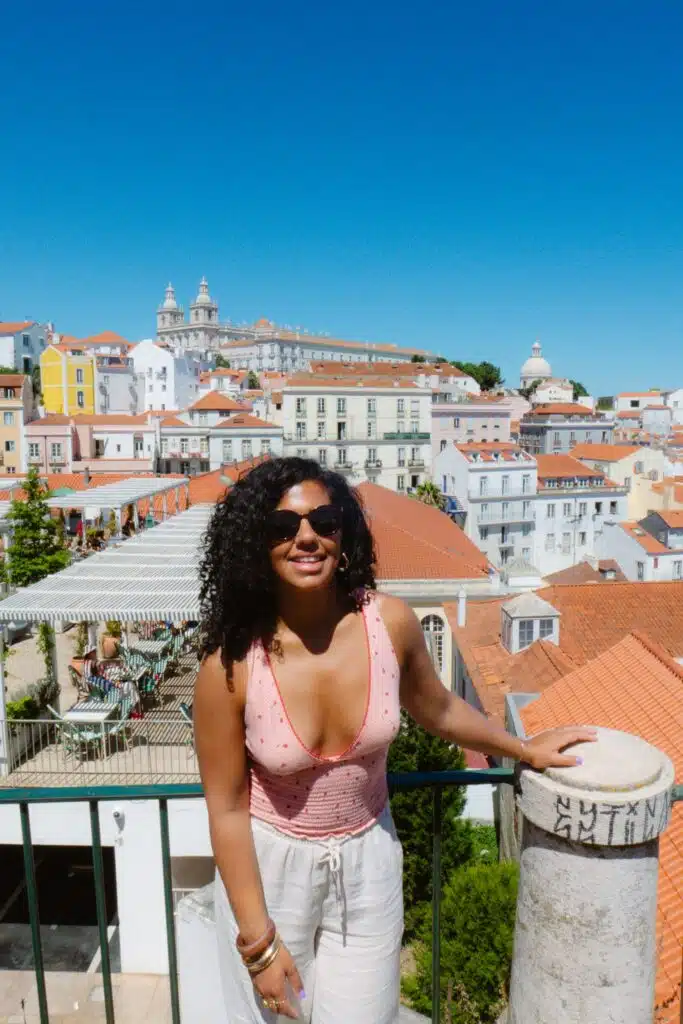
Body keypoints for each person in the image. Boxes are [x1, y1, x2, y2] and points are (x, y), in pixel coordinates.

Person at [195, 457, 595, 1023]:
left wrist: (524, 748)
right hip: (270, 873)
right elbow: (229, 811)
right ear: (256, 545)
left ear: (344, 532)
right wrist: (259, 945)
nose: (305, 539)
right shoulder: (230, 665)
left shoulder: (390, 623)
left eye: (323, 522)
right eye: (282, 528)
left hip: (367, 866)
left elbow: (439, 708)